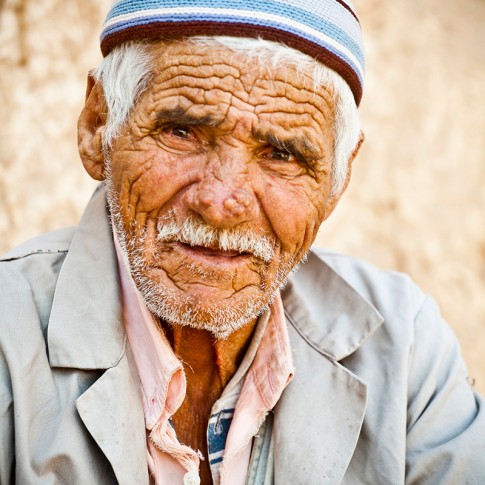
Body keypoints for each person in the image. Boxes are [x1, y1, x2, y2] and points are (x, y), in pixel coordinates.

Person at [0, 0, 484, 483]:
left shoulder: (405, 349)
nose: (220, 201)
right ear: (97, 126)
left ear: (338, 180)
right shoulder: (8, 337)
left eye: (281, 154)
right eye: (182, 131)